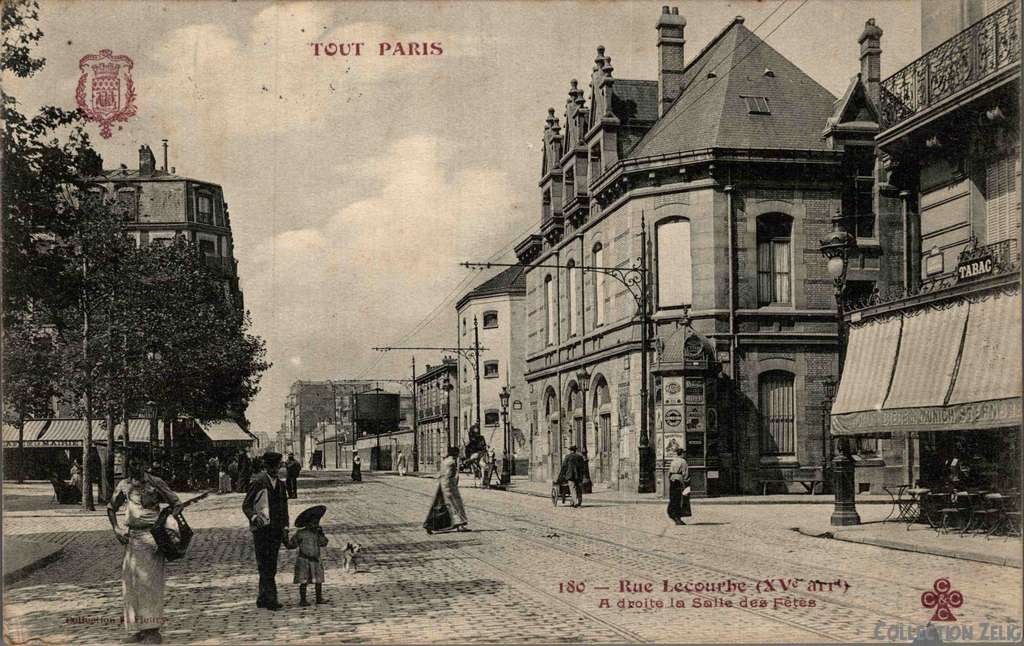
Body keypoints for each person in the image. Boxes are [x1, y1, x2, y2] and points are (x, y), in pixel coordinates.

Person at [107, 456, 181, 643]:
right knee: (131, 584)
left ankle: (153, 630)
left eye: (138, 462)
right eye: (132, 463)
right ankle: (137, 628)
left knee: (150, 584)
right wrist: (116, 529)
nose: (135, 466)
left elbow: (176, 503)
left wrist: (166, 525)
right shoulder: (124, 485)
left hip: (152, 539)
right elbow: (111, 507)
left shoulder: (155, 483)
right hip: (133, 538)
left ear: (145, 464)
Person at [242, 452, 290, 610]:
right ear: (267, 466)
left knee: (271, 564)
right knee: (264, 564)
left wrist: (286, 527)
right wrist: (254, 517)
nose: (277, 469)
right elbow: (246, 505)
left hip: (276, 530)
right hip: (262, 530)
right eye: (274, 466)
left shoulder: (282, 485)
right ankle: (271, 599)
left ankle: (263, 597)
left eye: (279, 466)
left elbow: (284, 508)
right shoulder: (258, 482)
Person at [286, 505, 329, 606]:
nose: (315, 525)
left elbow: (324, 543)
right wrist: (285, 538)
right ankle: (303, 600)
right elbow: (292, 545)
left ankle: (319, 598)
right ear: (307, 523)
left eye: (317, 523)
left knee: (318, 580)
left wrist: (321, 534)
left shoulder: (317, 533)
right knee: (303, 580)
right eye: (313, 523)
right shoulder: (300, 533)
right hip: (303, 560)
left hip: (316, 560)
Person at [424, 446, 470, 534]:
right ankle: (460, 525)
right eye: (457, 453)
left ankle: (430, 524)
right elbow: (449, 474)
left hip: (442, 484)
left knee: (440, 505)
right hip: (450, 485)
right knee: (456, 504)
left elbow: (441, 473)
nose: (458, 455)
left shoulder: (444, 461)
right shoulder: (452, 462)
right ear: (455, 454)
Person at [667, 448, 692, 525]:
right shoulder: (683, 461)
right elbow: (685, 473)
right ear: (682, 454)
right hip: (680, 481)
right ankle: (678, 517)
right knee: (681, 499)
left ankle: (673, 514)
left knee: (673, 498)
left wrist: (671, 479)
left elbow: (669, 473)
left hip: (672, 480)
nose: (684, 455)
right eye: (684, 453)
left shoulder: (673, 461)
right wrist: (687, 482)